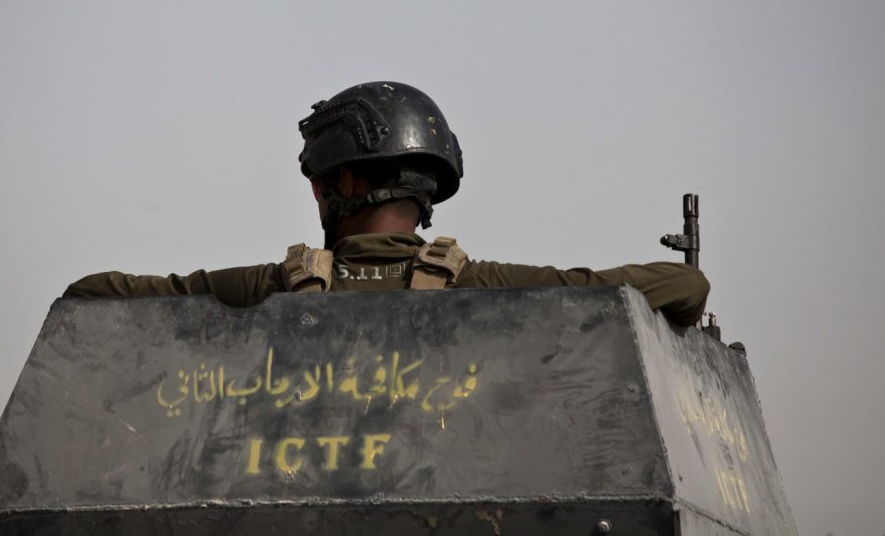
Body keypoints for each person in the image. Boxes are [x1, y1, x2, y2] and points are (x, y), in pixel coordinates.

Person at [63, 81, 709, 326]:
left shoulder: (270, 287)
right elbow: (685, 286)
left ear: (342, 184)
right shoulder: (492, 286)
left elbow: (92, 293)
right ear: (427, 192)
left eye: (320, 182)